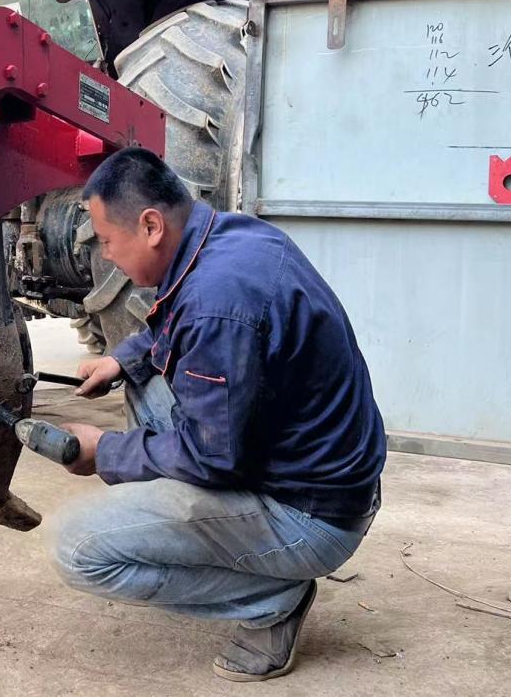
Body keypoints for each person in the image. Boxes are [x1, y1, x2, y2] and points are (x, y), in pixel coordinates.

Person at [50, 147, 386, 682]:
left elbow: (212, 457)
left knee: (78, 548)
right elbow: (178, 322)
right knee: (143, 382)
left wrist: (103, 451)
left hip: (312, 517)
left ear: (151, 226)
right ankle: (219, 539)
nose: (107, 256)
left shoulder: (217, 302)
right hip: (324, 477)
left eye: (108, 241)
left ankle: (272, 598)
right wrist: (121, 359)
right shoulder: (231, 238)